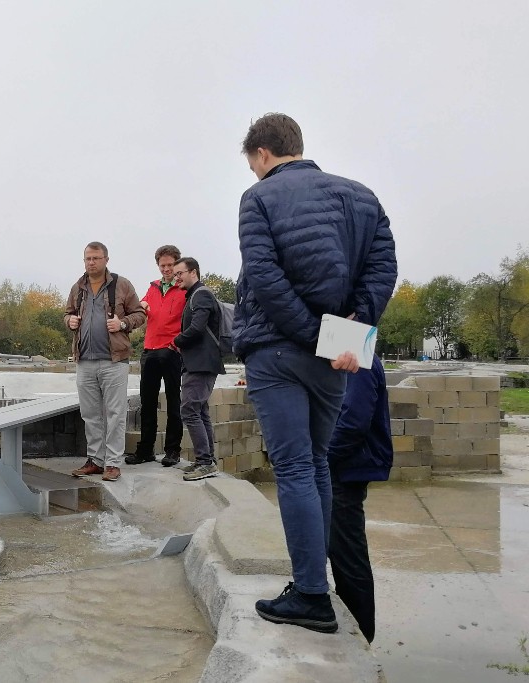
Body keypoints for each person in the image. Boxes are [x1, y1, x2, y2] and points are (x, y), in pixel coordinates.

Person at [235, 113, 397, 633]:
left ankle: (310, 594)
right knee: (319, 464)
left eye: (252, 164)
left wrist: (312, 335)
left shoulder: (257, 198)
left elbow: (263, 275)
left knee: (296, 468)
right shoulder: (363, 197)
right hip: (336, 357)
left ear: (262, 154)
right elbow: (383, 266)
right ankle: (315, 580)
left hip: (280, 351)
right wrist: (348, 334)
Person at [64, 242, 146, 482]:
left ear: (106, 260)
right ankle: (95, 461)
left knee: (115, 414)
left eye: (96, 258)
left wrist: (122, 324)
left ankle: (112, 463)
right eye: (88, 258)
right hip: (85, 361)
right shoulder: (78, 288)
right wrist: (69, 320)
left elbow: (140, 314)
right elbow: (67, 313)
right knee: (90, 414)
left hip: (114, 361)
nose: (91, 262)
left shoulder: (122, 285)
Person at [327, 354, 393, 643]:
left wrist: (320, 459)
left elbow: (354, 421)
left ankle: (361, 635)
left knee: (348, 556)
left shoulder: (358, 357)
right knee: (340, 550)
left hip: (346, 467)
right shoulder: (348, 354)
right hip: (344, 464)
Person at [125, 245, 186, 468]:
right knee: (147, 402)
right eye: (163, 265)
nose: (167, 269)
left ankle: (172, 450)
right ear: (158, 266)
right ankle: (146, 450)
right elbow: (141, 311)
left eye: (171, 265)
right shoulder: (152, 288)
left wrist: (177, 343)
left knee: (173, 403)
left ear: (177, 264)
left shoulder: (184, 289)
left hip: (171, 351)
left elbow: (190, 320)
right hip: (150, 350)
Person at [170, 257, 226, 481]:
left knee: (189, 409)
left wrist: (177, 341)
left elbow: (197, 328)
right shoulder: (195, 295)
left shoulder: (201, 294)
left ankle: (205, 462)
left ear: (193, 272)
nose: (176, 278)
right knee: (200, 411)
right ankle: (207, 460)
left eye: (180, 273)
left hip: (202, 363)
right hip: (200, 362)